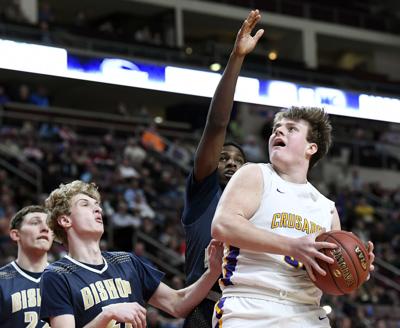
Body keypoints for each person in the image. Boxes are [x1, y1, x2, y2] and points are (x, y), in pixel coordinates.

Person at [211, 106, 376, 327]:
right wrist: (291, 246)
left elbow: (329, 278)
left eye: (291, 129)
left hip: (307, 313)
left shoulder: (327, 208)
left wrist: (354, 272)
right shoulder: (255, 174)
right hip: (251, 306)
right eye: (276, 129)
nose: (278, 132)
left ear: (311, 147)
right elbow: (223, 225)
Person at [39, 180, 223, 328]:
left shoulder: (127, 261)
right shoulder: (57, 275)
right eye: (85, 204)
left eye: (97, 205)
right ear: (65, 220)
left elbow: (177, 305)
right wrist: (108, 314)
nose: (98, 209)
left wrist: (213, 271)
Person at [181, 9, 264, 328]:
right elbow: (217, 125)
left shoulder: (256, 206)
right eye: (224, 158)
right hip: (204, 307)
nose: (230, 162)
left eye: (238, 161)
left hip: (248, 309)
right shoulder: (204, 191)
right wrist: (236, 58)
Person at [0, 205, 54, 327]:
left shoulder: (67, 278)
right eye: (35, 223)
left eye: (49, 225)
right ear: (15, 234)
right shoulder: (2, 280)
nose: (45, 228)